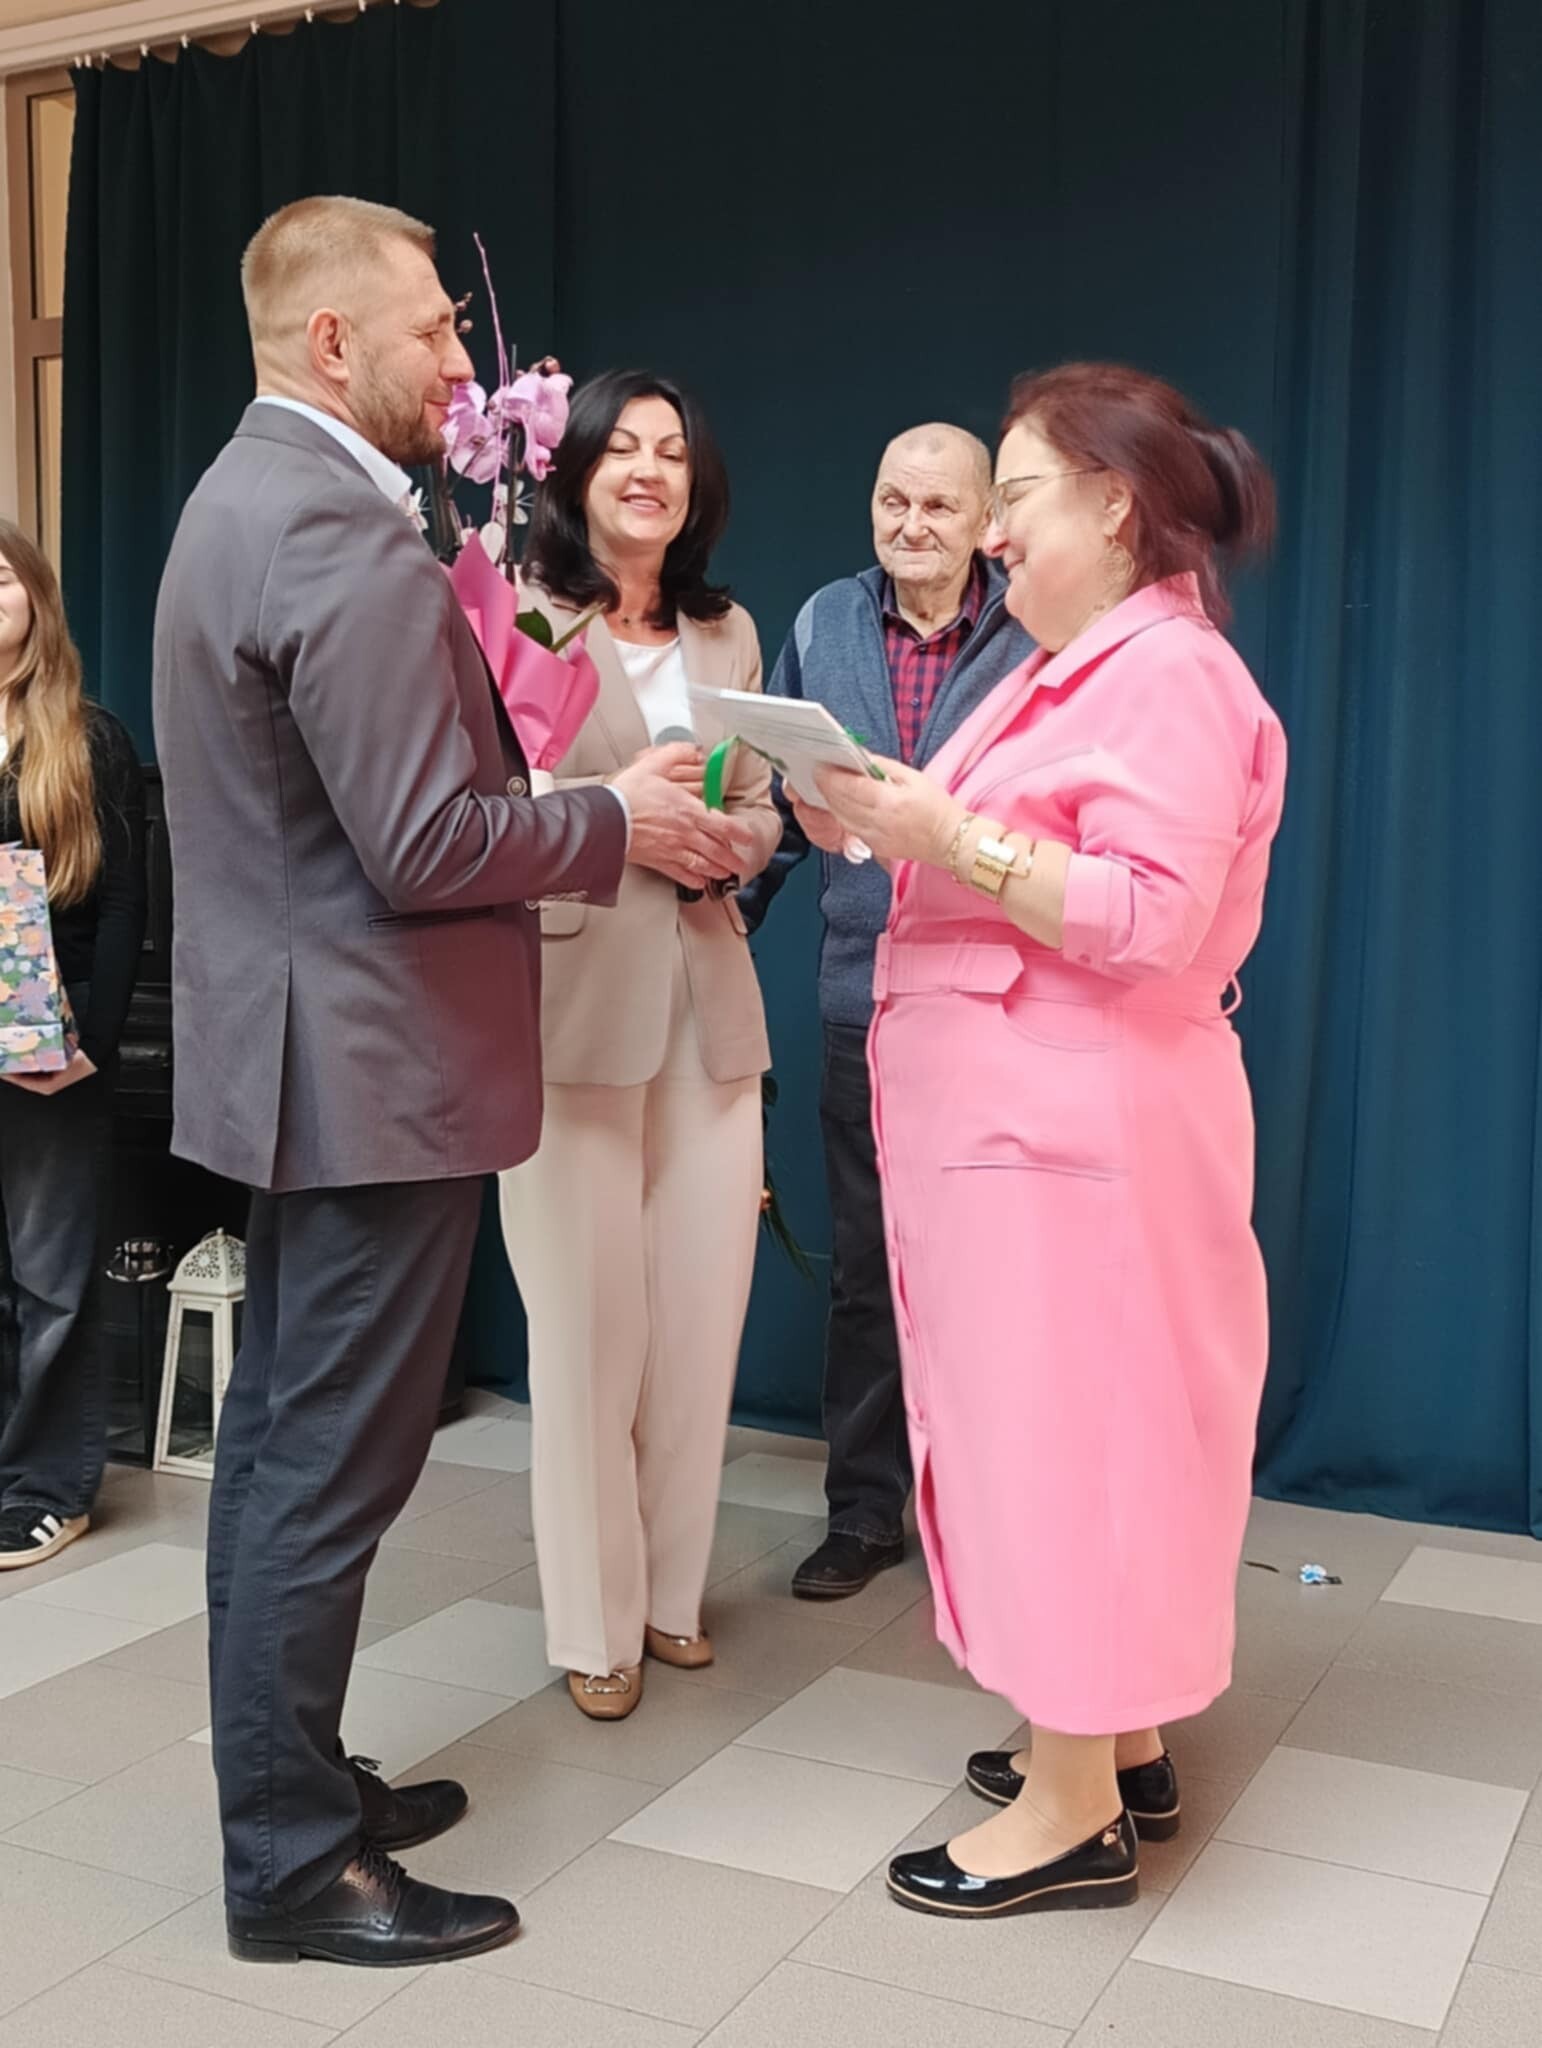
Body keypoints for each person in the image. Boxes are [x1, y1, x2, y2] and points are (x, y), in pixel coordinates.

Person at [153, 196, 740, 1968]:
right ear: (334, 342)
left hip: (303, 1057)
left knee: (283, 1451)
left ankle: (291, 1779)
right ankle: (288, 1864)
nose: (463, 363)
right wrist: (609, 819)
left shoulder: (240, 496)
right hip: (368, 1069)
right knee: (327, 1466)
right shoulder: (333, 530)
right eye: (434, 331)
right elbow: (422, 844)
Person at [797, 362, 1286, 1918]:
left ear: (1112, 507)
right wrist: (877, 814)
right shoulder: (1071, 670)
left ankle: (1073, 1815)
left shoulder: (1168, 676)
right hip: (1032, 1129)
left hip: (1072, 1136)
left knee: (1068, 1445)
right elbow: (1000, 849)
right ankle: (1110, 1737)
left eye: (1010, 496)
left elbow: (1147, 916)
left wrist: (940, 831)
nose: (990, 532)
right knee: (1071, 1435)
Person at [501, 369, 775, 1720]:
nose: (650, 469)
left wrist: (738, 840)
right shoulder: (515, 613)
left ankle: (670, 1596)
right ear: (574, 469)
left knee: (697, 1326)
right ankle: (593, 1624)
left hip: (709, 1004)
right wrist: (616, 810)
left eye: (672, 449)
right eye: (622, 447)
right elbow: (488, 805)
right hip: (568, 1001)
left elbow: (763, 800)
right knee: (585, 1335)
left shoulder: (728, 631)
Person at [739, 424, 1029, 1600]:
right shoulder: (823, 621)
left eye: (939, 506)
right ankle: (863, 1510)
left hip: (997, 1011)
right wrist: (721, 912)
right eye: (892, 500)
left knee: (997, 1272)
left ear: (987, 522)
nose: (912, 525)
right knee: (869, 1267)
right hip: (861, 1006)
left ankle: (991, 1519)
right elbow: (770, 793)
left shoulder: (1036, 634)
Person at [0, 524, 145, 1570]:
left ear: (36, 598)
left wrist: (88, 1034)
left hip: (51, 1044)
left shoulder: (88, 737)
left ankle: (49, 1487)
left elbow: (127, 904)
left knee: (50, 1276)